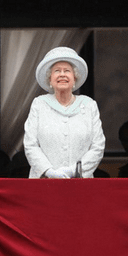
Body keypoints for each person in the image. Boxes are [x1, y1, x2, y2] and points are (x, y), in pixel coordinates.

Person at [23, 47, 105, 178]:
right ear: (50, 80)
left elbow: (98, 146)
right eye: (57, 71)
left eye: (67, 71)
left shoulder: (89, 105)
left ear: (74, 78)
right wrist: (49, 171)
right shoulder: (39, 104)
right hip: (45, 183)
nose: (62, 74)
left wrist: (74, 171)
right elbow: (30, 144)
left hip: (79, 184)